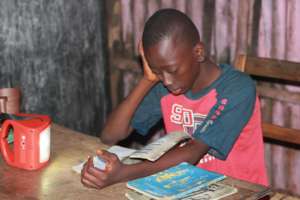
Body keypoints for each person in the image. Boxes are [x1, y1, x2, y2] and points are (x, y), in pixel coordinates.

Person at [81, 8, 268, 189]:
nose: (167, 81)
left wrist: (124, 173)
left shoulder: (237, 88)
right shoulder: (166, 86)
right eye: (157, 71)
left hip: (240, 192)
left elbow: (194, 151)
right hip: (186, 187)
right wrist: (148, 80)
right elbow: (110, 135)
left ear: (198, 52)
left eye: (172, 70)